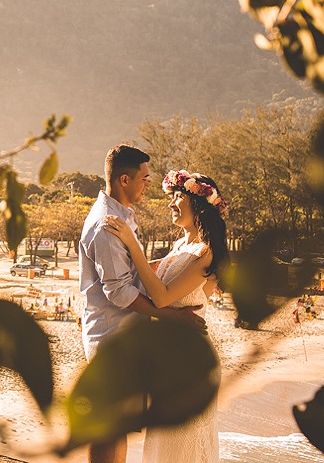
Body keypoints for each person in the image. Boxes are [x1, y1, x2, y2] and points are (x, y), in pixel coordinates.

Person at [79, 146, 206, 463]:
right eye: (145, 179)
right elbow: (120, 292)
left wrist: (174, 261)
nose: (148, 185)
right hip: (112, 337)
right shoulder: (107, 226)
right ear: (125, 179)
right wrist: (171, 317)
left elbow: (128, 271)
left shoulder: (121, 217)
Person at [103, 169, 231, 463]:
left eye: (177, 196)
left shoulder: (206, 251)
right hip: (169, 354)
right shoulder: (180, 245)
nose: (171, 203)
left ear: (198, 204)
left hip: (189, 358)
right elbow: (145, 275)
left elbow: (161, 296)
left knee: (181, 444)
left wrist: (131, 241)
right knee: (164, 444)